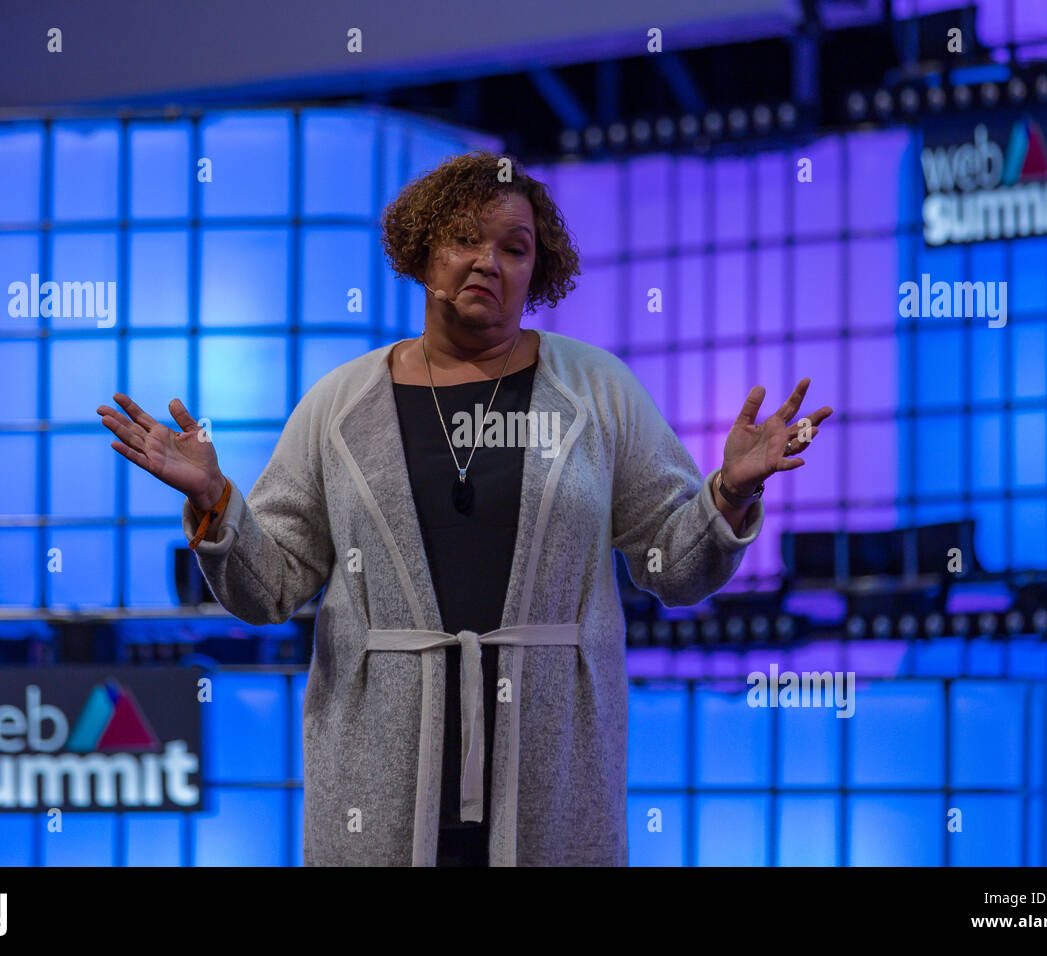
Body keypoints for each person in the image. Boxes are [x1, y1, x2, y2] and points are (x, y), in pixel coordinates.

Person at [96, 150, 832, 866]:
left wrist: (729, 491)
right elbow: (272, 587)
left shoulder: (598, 391)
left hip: (552, 781)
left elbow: (673, 570)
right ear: (422, 253)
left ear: (535, 273)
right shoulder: (338, 404)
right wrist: (215, 500)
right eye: (464, 239)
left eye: (515, 248)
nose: (489, 261)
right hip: (375, 787)